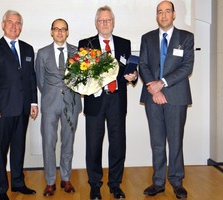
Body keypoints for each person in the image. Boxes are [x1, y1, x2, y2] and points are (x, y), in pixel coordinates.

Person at [78, 5, 138, 200]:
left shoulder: (124, 43)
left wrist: (134, 77)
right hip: (95, 102)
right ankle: (95, 186)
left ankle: (115, 185)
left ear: (113, 23)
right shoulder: (85, 43)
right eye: (101, 20)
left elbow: (130, 71)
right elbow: (81, 75)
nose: (105, 23)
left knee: (118, 145)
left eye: (108, 20)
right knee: (93, 146)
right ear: (96, 23)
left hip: (117, 101)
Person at [139, 1, 194, 199]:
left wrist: (161, 83)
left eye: (167, 11)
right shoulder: (147, 38)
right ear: (156, 16)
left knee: (176, 141)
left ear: (174, 14)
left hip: (176, 96)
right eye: (160, 12)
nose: (163, 15)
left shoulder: (186, 38)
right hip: (152, 96)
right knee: (157, 142)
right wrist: (154, 89)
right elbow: (143, 65)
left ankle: (177, 182)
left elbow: (187, 67)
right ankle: (158, 182)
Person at [0, 10, 38, 200]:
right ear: (3, 24)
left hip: (22, 108)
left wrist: (33, 102)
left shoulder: (28, 49)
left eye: (18, 23)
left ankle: (18, 183)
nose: (14, 26)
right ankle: (0, 189)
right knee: (1, 149)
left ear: (21, 27)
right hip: (2, 109)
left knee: (19, 147)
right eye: (11, 22)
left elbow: (31, 78)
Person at [35, 18, 82, 197]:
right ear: (51, 32)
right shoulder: (42, 53)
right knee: (48, 143)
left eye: (63, 29)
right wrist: (51, 94)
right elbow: (40, 80)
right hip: (50, 104)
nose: (60, 32)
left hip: (71, 103)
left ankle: (66, 177)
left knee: (68, 142)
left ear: (68, 32)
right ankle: (49, 182)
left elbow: (81, 79)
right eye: (56, 29)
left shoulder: (77, 52)